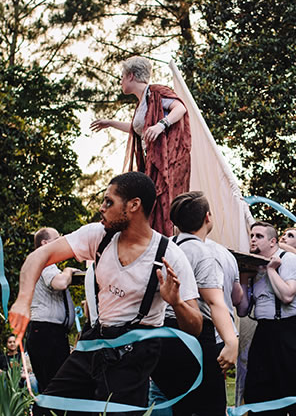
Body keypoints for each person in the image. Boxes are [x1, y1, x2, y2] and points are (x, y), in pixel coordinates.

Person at [9, 171, 202, 416]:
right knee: (48, 410)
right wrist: (23, 301)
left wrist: (176, 303)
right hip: (96, 342)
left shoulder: (169, 255)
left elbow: (195, 327)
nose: (102, 208)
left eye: (109, 202)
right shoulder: (99, 236)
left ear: (133, 205)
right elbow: (39, 256)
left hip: (135, 354)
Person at [151, 191, 239, 416]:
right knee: (209, 408)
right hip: (194, 340)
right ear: (207, 218)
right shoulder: (202, 252)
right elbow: (214, 302)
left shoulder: (163, 248)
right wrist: (230, 341)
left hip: (160, 338)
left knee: (176, 406)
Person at [90, 56, 191, 236]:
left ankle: (164, 241)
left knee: (161, 203)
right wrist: (110, 123)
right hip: (150, 161)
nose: (120, 82)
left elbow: (180, 108)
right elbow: (138, 130)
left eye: (122, 77)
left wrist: (161, 125)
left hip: (167, 161)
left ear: (130, 76)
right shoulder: (142, 103)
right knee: (150, 204)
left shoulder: (156, 92)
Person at [237, 221, 296, 415]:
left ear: (272, 241)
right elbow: (243, 310)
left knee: (289, 387)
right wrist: (244, 277)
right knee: (257, 388)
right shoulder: (253, 264)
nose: (253, 239)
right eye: (252, 236)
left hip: (287, 331)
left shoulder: (288, 260)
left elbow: (287, 295)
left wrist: (271, 270)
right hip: (263, 331)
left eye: (259, 236)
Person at [25, 227, 78, 393]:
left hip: (47, 332)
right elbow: (60, 283)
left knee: (51, 386)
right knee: (56, 387)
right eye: (57, 239)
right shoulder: (44, 261)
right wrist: (69, 270)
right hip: (47, 333)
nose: (61, 242)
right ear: (45, 243)